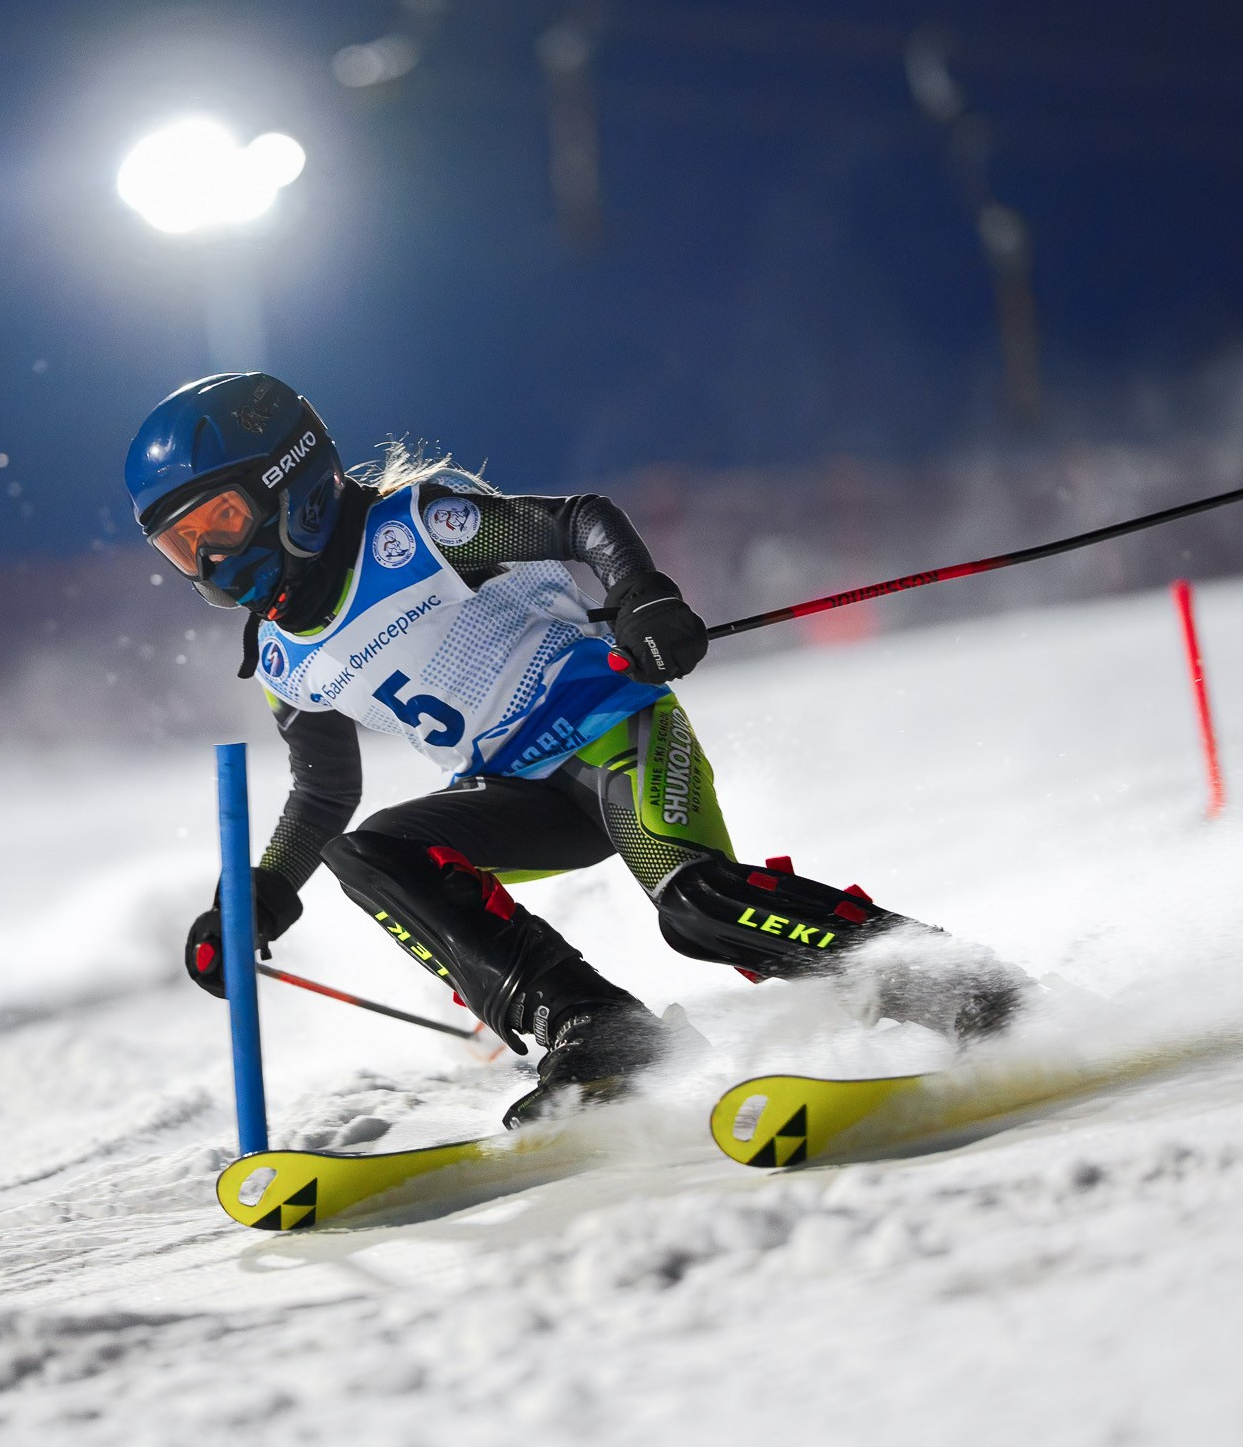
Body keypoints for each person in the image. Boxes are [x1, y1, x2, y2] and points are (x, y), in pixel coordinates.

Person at [127, 373, 1026, 1128]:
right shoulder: (284, 656)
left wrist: (641, 597)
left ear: (295, 483)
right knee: (370, 852)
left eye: (220, 525)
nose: (208, 564)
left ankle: (960, 985)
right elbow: (324, 794)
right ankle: (596, 1029)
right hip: (518, 793)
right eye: (181, 548)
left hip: (614, 734)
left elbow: (580, 522)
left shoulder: (415, 533)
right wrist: (258, 897)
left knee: (699, 908)